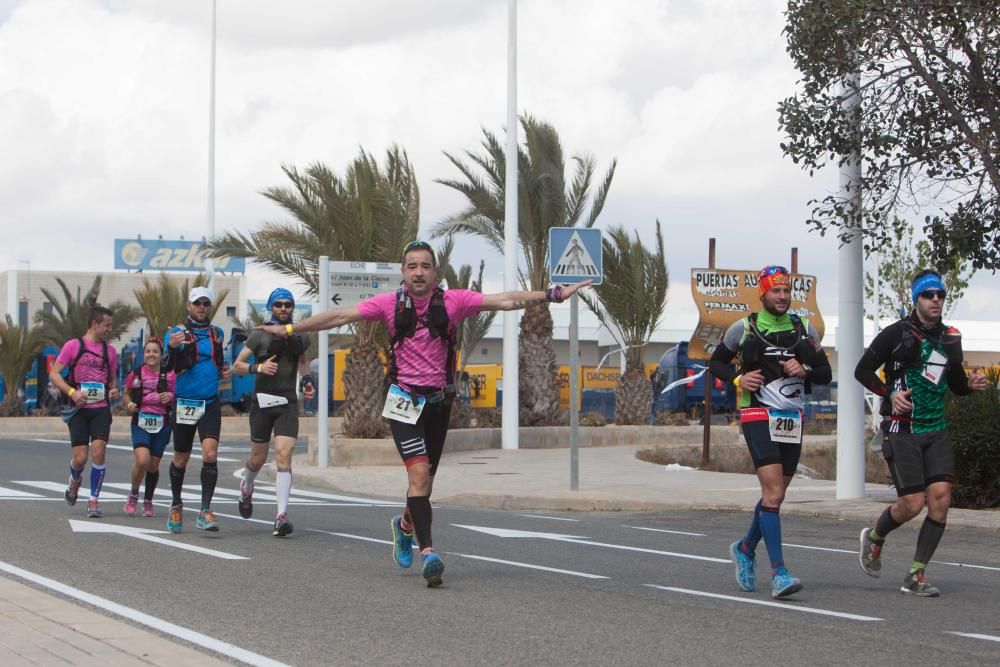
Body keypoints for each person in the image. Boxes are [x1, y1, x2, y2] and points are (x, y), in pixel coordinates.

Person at [259, 240, 590, 587]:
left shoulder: (455, 302)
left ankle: (403, 526)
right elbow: (340, 315)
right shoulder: (389, 304)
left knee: (425, 482)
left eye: (425, 266)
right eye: (412, 266)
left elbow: (504, 300)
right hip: (402, 401)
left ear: (435, 272)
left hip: (439, 402)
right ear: (403, 271)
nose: (418, 271)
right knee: (418, 475)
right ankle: (429, 553)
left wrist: (551, 295)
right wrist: (291, 329)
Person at [854, 269, 989, 597]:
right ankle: (874, 537)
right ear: (916, 299)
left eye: (940, 295)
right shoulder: (896, 334)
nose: (936, 301)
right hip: (903, 429)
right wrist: (889, 394)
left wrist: (970, 385)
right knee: (912, 504)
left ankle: (916, 574)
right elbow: (861, 370)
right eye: (929, 295)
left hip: (936, 429)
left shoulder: (951, 339)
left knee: (941, 501)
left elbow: (955, 384)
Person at [709, 265, 832, 599]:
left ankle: (745, 548)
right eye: (775, 291)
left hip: (792, 417)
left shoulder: (804, 328)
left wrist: (805, 369)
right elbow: (716, 363)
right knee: (774, 493)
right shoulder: (744, 327)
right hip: (756, 412)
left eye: (786, 291)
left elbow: (825, 373)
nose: (782, 297)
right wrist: (737, 379)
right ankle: (780, 572)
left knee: (773, 497)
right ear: (762, 294)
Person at [232, 288, 315, 536]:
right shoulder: (259, 335)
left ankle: (281, 516)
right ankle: (247, 486)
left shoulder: (300, 335)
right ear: (271, 307)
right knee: (257, 458)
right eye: (278, 304)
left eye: (288, 304)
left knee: (284, 454)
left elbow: (302, 361)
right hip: (262, 402)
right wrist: (258, 368)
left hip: (287, 402)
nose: (283, 308)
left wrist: (307, 381)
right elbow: (236, 366)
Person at [161, 286, 231, 533]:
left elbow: (220, 363)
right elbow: (167, 367)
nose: (201, 307)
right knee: (181, 458)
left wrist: (224, 372)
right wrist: (171, 347)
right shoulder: (177, 333)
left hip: (210, 402)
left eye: (205, 303)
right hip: (185, 403)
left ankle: (205, 510)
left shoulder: (217, 333)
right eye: (197, 303)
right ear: (188, 306)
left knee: (210, 455)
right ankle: (176, 504)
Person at [48, 305, 121, 518]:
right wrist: (72, 392)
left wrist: (114, 389)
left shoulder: (110, 351)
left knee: (98, 451)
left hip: (100, 409)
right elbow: (54, 374)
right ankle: (75, 480)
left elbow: (112, 380)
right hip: (78, 409)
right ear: (94, 324)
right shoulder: (73, 346)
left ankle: (93, 500)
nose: (109, 329)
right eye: (107, 325)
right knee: (80, 458)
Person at [123, 338, 176, 517]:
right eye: (148, 351)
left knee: (153, 465)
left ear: (161, 355)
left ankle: (148, 500)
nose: (151, 354)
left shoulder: (170, 374)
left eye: (155, 351)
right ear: (143, 354)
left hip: (162, 422)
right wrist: (129, 404)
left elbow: (179, 394)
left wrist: (170, 396)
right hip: (141, 421)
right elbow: (127, 394)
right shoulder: (136, 374)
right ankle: (134, 493)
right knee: (142, 460)